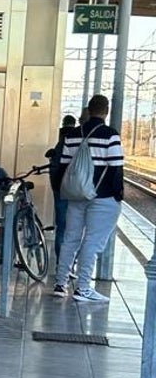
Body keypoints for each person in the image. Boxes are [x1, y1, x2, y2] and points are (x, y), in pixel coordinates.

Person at [51, 94, 124, 302]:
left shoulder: (72, 135)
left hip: (76, 195)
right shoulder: (110, 135)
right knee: (93, 241)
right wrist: (117, 195)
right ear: (106, 111)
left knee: (71, 238)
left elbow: (63, 166)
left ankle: (60, 283)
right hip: (102, 197)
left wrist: (61, 190)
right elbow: (116, 169)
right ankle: (83, 288)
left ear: (89, 110)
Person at [45, 114, 78, 263]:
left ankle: (61, 261)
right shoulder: (79, 137)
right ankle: (70, 261)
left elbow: (55, 160)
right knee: (76, 227)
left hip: (59, 187)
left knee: (61, 227)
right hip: (75, 188)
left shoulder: (59, 138)